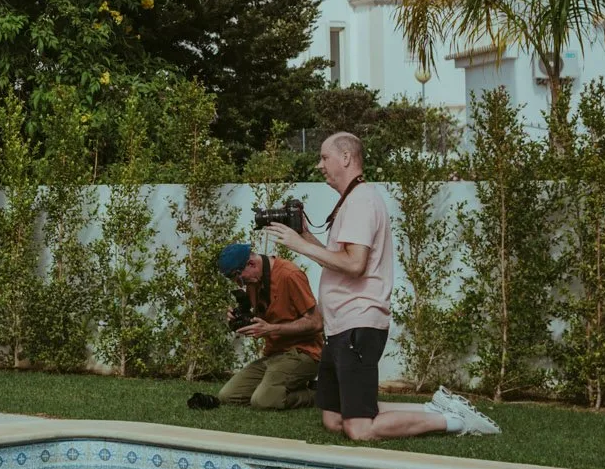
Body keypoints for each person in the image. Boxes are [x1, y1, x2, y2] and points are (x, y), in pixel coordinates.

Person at [262, 131, 501, 441]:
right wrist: (306, 237)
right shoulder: (352, 200)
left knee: (359, 429)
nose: (319, 165)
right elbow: (338, 261)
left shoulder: (361, 201)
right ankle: (434, 409)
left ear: (345, 158)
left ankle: (454, 421)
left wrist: (300, 246)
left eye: (324, 157)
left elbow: (355, 264)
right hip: (340, 325)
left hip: (358, 322)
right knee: (333, 418)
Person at [197, 241, 321, 410]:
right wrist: (237, 317)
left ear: (251, 264)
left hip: (303, 353)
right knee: (228, 396)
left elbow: (316, 322)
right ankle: (285, 386)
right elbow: (261, 313)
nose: (240, 284)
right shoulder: (255, 281)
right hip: (274, 354)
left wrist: (271, 329)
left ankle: (320, 395)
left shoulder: (289, 275)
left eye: (240, 279)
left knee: (262, 401)